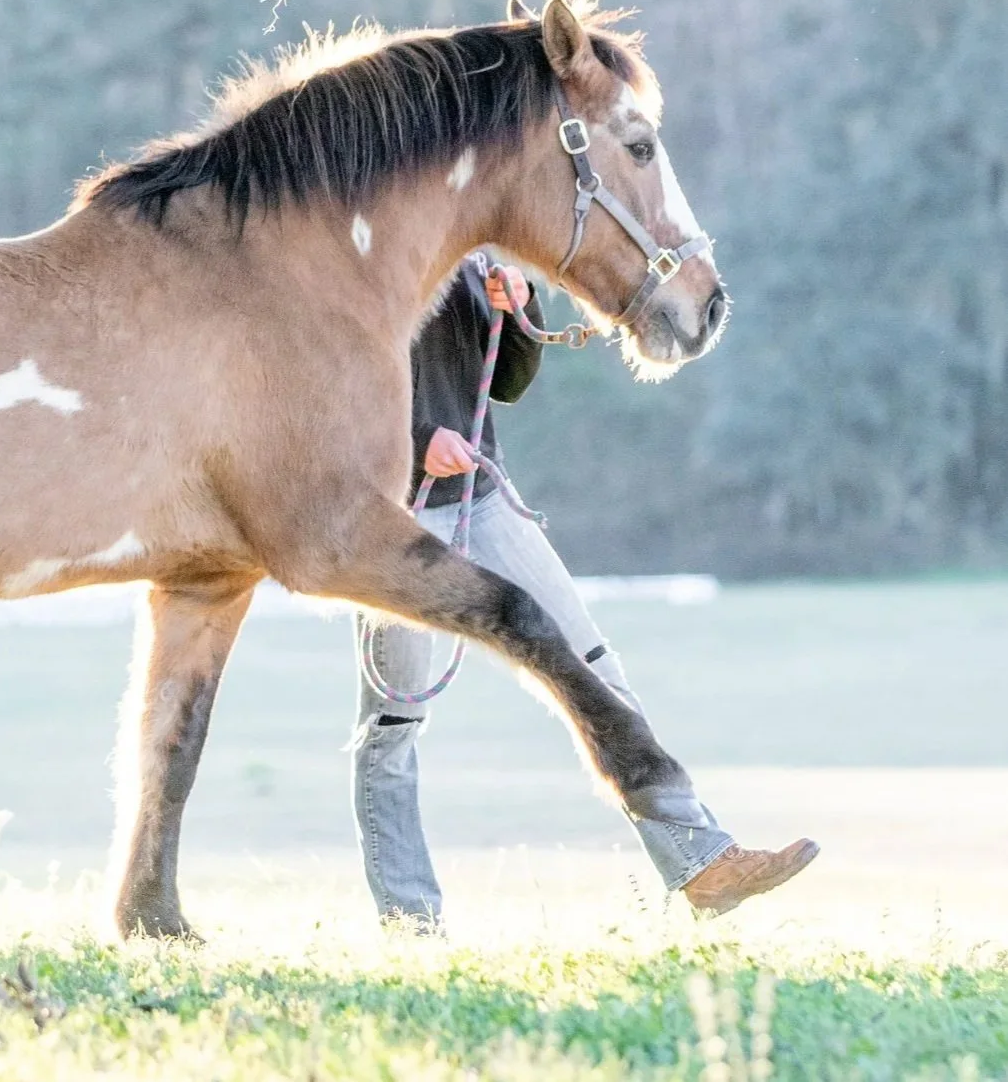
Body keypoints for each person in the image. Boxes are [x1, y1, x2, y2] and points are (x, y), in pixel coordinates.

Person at [350, 256, 818, 926]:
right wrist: (418, 439)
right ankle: (409, 921)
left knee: (595, 667)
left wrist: (520, 309)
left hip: (482, 498)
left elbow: (505, 382)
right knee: (393, 723)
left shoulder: (468, 246)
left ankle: (701, 860)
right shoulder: (370, 240)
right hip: (399, 508)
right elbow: (327, 377)